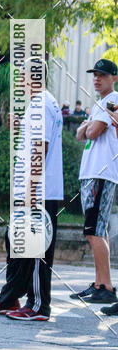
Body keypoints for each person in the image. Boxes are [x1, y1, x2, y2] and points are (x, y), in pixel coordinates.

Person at [0, 83, 63, 321]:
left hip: (38, 189)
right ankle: (10, 296)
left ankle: (38, 305)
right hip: (31, 186)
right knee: (15, 242)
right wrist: (20, 126)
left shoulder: (43, 104)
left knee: (36, 248)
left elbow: (41, 147)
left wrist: (31, 189)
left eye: (23, 75)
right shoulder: (38, 104)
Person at [69, 59, 118, 310]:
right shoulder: (100, 103)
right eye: (95, 75)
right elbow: (80, 133)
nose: (97, 79)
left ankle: (106, 287)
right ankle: (100, 283)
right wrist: (88, 125)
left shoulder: (113, 100)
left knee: (94, 231)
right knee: (97, 230)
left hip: (101, 173)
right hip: (92, 173)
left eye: (103, 75)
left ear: (114, 78)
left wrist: (88, 125)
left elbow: (92, 132)